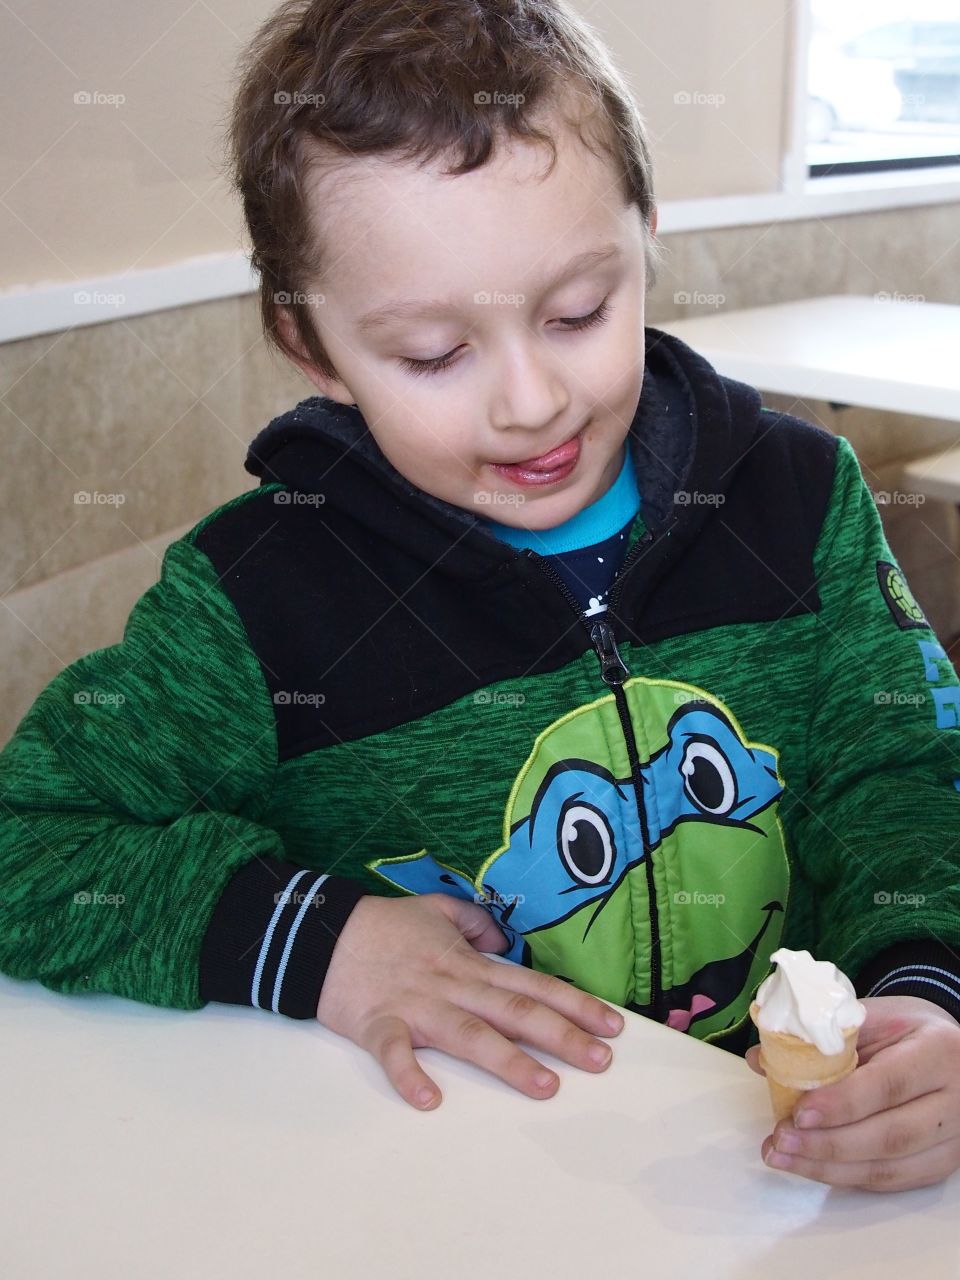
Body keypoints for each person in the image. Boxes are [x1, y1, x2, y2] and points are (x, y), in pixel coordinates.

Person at [2, 0, 959, 1193]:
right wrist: (317, 942)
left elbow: (908, 772)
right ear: (310, 343)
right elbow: (28, 842)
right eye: (432, 354)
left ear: (645, 238)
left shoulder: (797, 493)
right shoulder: (256, 600)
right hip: (460, 1186)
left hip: (788, 1176)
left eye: (577, 312)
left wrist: (926, 984)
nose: (529, 400)